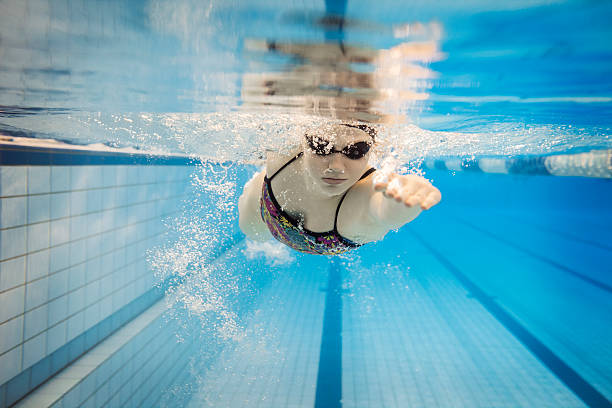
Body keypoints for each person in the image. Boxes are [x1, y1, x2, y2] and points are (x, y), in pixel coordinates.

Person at [238, 123, 441, 255]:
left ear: (371, 150)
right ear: (304, 142)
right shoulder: (285, 151)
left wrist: (403, 201)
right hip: (264, 205)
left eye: (355, 151)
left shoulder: (365, 194)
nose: (336, 166)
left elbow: (381, 210)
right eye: (321, 146)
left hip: (328, 235)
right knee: (254, 233)